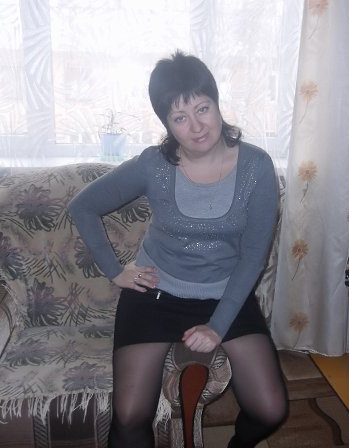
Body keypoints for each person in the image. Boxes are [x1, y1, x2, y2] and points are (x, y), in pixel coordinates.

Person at [68, 50, 287, 448]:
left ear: (217, 104)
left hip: (227, 293)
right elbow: (83, 206)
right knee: (130, 416)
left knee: (271, 409)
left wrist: (217, 326)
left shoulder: (257, 166)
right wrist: (115, 271)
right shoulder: (153, 165)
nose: (196, 126)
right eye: (180, 117)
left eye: (202, 108)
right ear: (166, 124)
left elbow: (254, 255)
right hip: (156, 293)